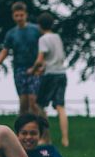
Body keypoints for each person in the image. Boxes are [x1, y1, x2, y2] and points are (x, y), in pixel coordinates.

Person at [0, 1, 42, 116]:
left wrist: (43, 64)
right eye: (16, 16)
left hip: (35, 67)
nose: (19, 18)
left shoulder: (36, 30)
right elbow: (5, 50)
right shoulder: (11, 34)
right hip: (19, 69)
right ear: (13, 16)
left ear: (26, 15)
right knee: (23, 102)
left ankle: (43, 131)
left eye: (21, 15)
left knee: (34, 101)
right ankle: (21, 131)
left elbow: (45, 48)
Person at [29, 12, 69, 147]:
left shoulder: (43, 39)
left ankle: (46, 137)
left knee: (39, 105)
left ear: (39, 26)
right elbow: (58, 57)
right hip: (62, 73)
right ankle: (65, 139)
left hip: (50, 75)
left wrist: (33, 70)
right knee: (60, 106)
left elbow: (40, 59)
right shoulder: (57, 37)